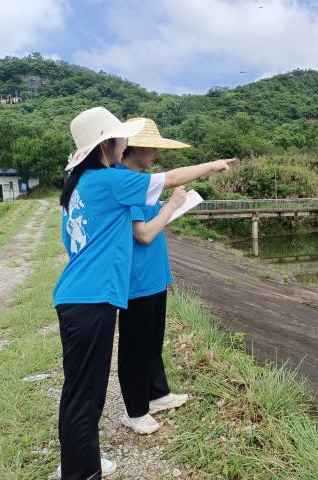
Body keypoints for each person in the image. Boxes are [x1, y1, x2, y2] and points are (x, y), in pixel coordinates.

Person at [53, 107, 234, 479]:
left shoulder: (79, 184)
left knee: (81, 391)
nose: (126, 142)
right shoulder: (110, 180)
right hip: (92, 298)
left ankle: (79, 462)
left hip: (76, 294)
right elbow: (171, 179)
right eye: (122, 137)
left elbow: (72, 245)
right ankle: (81, 471)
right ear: (107, 144)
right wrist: (211, 165)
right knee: (86, 394)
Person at [115, 118, 191, 434]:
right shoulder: (125, 182)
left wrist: (170, 208)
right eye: (153, 148)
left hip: (153, 274)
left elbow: (153, 225)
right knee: (135, 346)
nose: (156, 155)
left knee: (152, 340)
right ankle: (134, 411)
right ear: (135, 148)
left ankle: (157, 393)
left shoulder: (141, 181)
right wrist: (172, 204)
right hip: (137, 279)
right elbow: (143, 234)